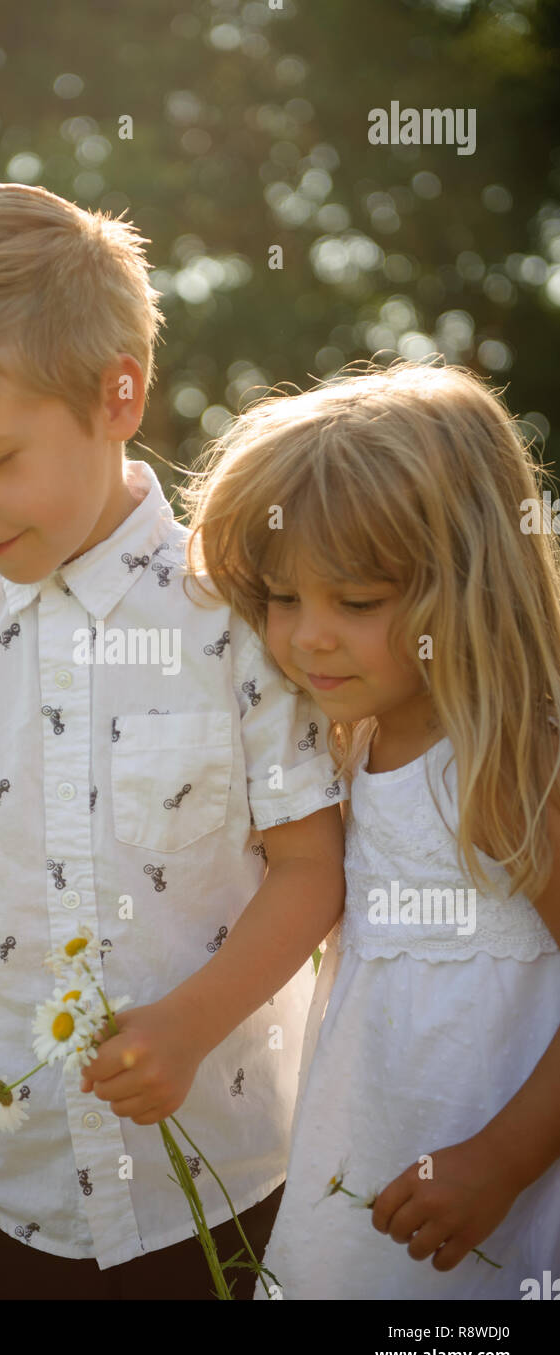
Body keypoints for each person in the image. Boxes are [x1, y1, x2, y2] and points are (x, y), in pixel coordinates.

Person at [0, 181, 347, 1300]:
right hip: (2, 1176)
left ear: (119, 395)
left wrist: (190, 1024)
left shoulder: (237, 617)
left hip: (227, 1174)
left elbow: (313, 868)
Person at [177, 359, 560, 1299]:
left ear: (469, 585)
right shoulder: (343, 746)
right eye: (281, 597)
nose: (307, 636)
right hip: (369, 1152)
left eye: (355, 603)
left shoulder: (508, 766)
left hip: (486, 1170)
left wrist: (500, 1161)